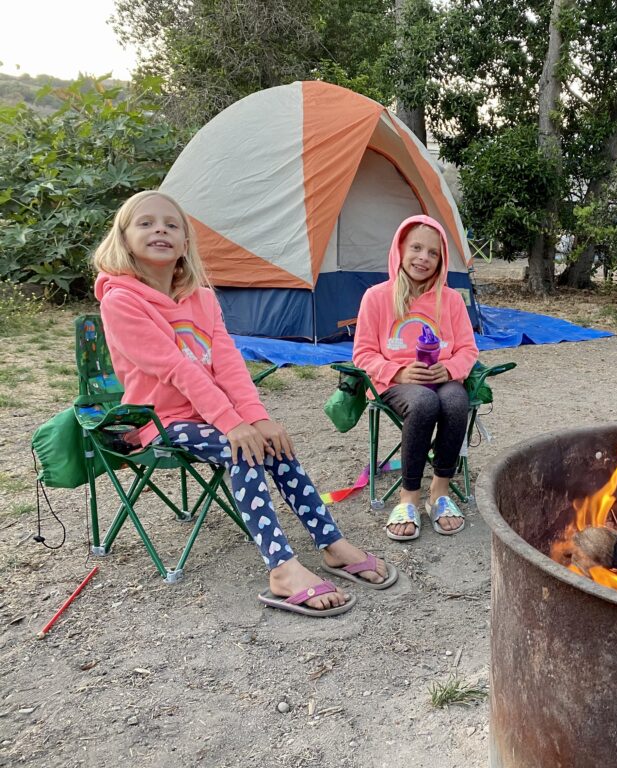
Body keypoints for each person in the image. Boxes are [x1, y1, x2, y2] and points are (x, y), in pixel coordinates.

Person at [93, 190, 397, 618]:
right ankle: (282, 568)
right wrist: (233, 426)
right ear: (123, 239)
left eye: (171, 224)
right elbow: (179, 369)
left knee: (274, 443)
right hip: (159, 421)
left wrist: (257, 418)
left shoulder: (201, 298)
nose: (159, 228)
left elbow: (229, 364)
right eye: (145, 223)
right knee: (243, 449)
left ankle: (331, 544)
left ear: (185, 243)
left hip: (216, 416)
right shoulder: (121, 300)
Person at [353, 215, 478, 541]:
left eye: (433, 252)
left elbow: (468, 349)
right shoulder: (377, 297)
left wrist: (449, 369)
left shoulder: (450, 300)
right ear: (400, 250)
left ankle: (439, 491)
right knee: (423, 401)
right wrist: (398, 371)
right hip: (395, 384)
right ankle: (409, 496)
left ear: (441, 260)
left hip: (442, 377)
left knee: (454, 399)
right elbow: (363, 354)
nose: (423, 257)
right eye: (416, 248)